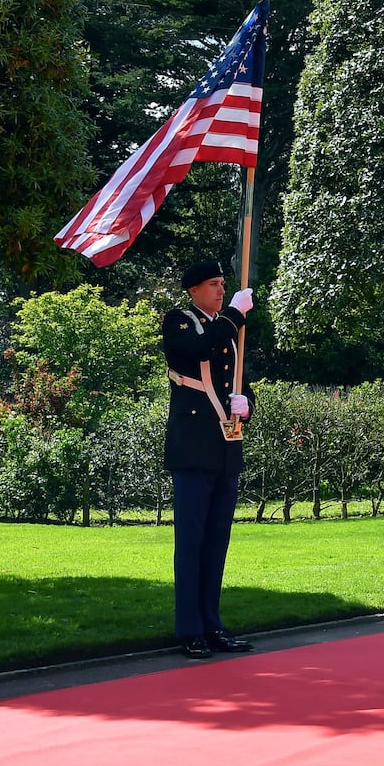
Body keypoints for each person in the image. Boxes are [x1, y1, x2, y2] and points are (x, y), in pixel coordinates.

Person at [163, 260, 255, 660]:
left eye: (223, 284)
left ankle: (212, 624)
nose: (221, 290)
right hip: (194, 446)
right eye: (214, 285)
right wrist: (235, 313)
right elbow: (199, 349)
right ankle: (190, 629)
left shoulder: (229, 333)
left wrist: (247, 403)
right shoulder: (179, 321)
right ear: (193, 290)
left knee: (217, 542)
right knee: (192, 542)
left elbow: (239, 381)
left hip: (225, 447)